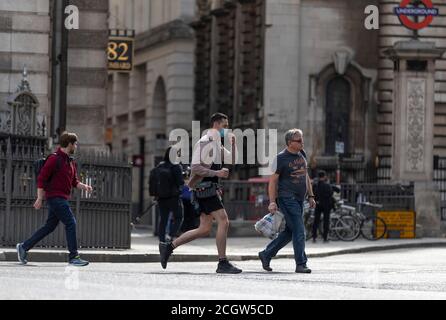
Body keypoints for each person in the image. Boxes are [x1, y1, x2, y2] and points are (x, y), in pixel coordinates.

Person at [159, 112, 242, 274]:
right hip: (205, 189)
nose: (227, 129)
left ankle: (168, 246)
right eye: (225, 126)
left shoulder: (217, 144)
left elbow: (232, 161)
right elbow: (196, 167)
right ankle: (222, 262)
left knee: (204, 228)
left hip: (207, 189)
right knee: (223, 221)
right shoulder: (206, 142)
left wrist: (233, 144)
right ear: (216, 125)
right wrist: (217, 174)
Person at [16, 132, 93, 266]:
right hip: (55, 198)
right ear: (69, 144)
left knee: (50, 226)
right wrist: (40, 198)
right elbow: (42, 179)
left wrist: (84, 186)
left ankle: (23, 247)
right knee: (71, 222)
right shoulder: (54, 159)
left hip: (61, 197)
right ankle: (73, 256)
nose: (76, 146)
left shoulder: (70, 161)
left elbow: (74, 181)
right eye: (75, 143)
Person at [258, 129, 316, 273]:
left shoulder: (302, 154)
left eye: (302, 139)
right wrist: (272, 202)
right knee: (299, 230)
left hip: (299, 199)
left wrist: (311, 195)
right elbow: (272, 181)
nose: (302, 142)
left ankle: (266, 254)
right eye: (299, 140)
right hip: (286, 198)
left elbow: (306, 176)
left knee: (290, 232)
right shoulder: (280, 158)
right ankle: (301, 263)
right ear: (290, 143)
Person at [155, 147, 185, 244]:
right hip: (173, 197)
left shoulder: (160, 166)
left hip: (161, 197)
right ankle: (171, 235)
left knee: (163, 219)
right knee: (179, 217)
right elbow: (180, 182)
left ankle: (161, 240)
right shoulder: (176, 166)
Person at [312, 170, 333, 243]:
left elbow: (313, 194)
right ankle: (325, 237)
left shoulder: (315, 185)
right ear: (324, 177)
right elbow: (330, 194)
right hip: (326, 205)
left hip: (318, 204)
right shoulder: (327, 185)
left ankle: (314, 237)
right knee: (326, 221)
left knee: (316, 221)